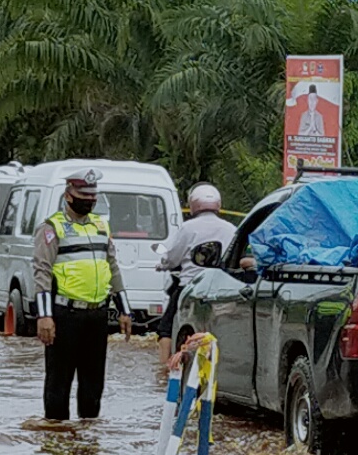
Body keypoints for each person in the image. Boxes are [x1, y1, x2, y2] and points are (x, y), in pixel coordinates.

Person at [32, 168, 134, 421]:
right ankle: (57, 440)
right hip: (65, 314)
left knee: (93, 385)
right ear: (68, 195)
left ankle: (88, 441)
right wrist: (44, 317)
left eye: (93, 196)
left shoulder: (101, 226)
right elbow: (41, 272)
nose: (89, 200)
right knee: (59, 383)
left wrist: (125, 310)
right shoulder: (51, 227)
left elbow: (113, 268)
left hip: (96, 315)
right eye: (83, 195)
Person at [156, 183, 237, 366]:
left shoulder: (188, 228)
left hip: (189, 287)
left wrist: (163, 264)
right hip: (222, 288)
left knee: (165, 329)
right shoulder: (231, 228)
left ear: (193, 204)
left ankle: (164, 370)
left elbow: (172, 257)